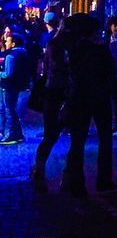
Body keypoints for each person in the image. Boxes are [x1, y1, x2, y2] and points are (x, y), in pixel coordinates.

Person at [62, 14, 117, 194]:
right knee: (105, 139)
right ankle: (104, 180)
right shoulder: (101, 50)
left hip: (79, 97)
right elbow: (111, 72)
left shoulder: (75, 50)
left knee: (78, 140)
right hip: (100, 97)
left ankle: (76, 182)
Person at [32, 15, 78, 194]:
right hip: (58, 94)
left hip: (56, 93)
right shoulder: (59, 45)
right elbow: (59, 69)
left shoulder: (57, 44)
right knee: (54, 134)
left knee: (53, 135)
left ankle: (42, 171)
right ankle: (43, 171)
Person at [0, 29, 33, 144]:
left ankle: (11, 134)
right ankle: (17, 133)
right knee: (11, 109)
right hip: (16, 85)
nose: (5, 43)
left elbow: (8, 74)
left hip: (8, 85)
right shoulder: (22, 53)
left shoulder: (11, 56)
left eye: (7, 41)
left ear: (13, 44)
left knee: (9, 110)